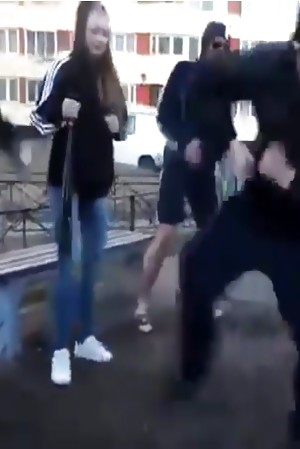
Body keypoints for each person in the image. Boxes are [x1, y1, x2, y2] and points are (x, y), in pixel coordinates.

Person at [172, 3, 300, 447]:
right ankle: (193, 366)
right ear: (294, 50)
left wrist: (291, 180)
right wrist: (228, 142)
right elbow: (202, 82)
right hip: (256, 210)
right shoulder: (269, 64)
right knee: (195, 267)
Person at [30, 1, 128, 386]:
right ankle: (60, 349)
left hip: (96, 187)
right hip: (67, 184)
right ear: (81, 30)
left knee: (92, 266)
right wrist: (60, 112)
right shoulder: (65, 67)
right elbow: (38, 118)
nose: (101, 38)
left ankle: (85, 337)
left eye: (106, 32)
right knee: (68, 266)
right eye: (95, 31)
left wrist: (119, 125)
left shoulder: (109, 75)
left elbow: (120, 121)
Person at [135, 21, 236, 333]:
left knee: (211, 234)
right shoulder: (184, 72)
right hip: (178, 164)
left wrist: (228, 153)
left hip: (203, 170)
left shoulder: (222, 89)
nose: (219, 51)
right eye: (215, 44)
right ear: (205, 46)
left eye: (224, 46)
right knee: (167, 232)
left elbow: (225, 133)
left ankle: (192, 292)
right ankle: (142, 303)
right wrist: (184, 142)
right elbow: (164, 116)